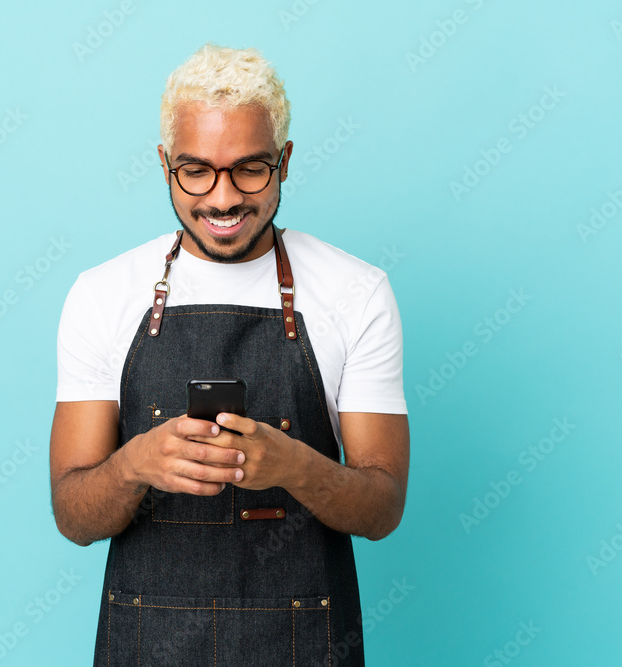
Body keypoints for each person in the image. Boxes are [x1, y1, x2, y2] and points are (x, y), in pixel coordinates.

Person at [50, 43, 409, 666]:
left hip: (301, 644)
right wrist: (134, 464)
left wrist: (294, 465)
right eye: (196, 170)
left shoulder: (357, 292)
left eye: (249, 169)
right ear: (165, 165)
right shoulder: (102, 293)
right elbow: (74, 516)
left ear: (285, 161)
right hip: (147, 644)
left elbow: (382, 509)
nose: (221, 199)